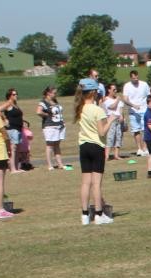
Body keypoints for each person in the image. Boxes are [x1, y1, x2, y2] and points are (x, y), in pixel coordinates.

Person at [74, 77, 113, 224]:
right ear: (93, 92)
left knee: (85, 183)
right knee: (96, 184)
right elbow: (102, 132)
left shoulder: (80, 108)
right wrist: (111, 120)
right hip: (96, 147)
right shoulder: (98, 110)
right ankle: (98, 214)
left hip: (84, 146)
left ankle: (84, 215)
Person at [122, 70, 150, 157]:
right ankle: (139, 149)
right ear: (131, 78)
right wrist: (133, 105)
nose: (136, 79)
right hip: (133, 111)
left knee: (145, 130)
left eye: (137, 77)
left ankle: (145, 148)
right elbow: (125, 99)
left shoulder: (144, 84)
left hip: (144, 109)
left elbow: (149, 96)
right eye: (134, 78)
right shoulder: (127, 86)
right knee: (136, 130)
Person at [37, 86, 66, 170]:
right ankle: (50, 165)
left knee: (57, 145)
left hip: (59, 125)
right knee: (49, 145)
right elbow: (38, 111)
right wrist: (46, 115)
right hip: (50, 126)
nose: (55, 94)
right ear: (48, 93)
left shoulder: (55, 101)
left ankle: (60, 164)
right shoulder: (43, 102)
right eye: (54, 93)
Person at [0, 88, 24, 173]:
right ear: (9, 96)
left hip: (18, 128)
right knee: (13, 148)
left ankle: (17, 167)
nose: (16, 95)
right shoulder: (8, 104)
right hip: (12, 129)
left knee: (17, 148)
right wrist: (4, 119)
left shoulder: (15, 104)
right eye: (14, 94)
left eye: (16, 94)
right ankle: (13, 169)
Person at [102, 84, 123, 161]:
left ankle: (116, 155)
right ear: (109, 90)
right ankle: (106, 156)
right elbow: (112, 107)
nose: (115, 91)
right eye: (114, 90)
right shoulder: (106, 99)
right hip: (111, 120)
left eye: (116, 89)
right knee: (110, 138)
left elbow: (120, 109)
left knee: (118, 137)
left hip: (118, 120)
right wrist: (117, 100)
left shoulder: (118, 100)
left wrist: (121, 116)